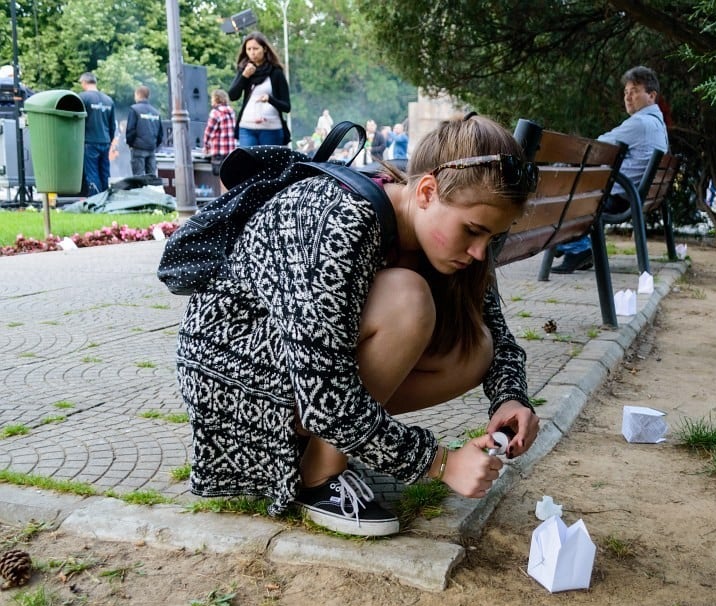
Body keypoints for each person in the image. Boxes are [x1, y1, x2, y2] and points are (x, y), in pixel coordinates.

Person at [176, 114, 541, 537]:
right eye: (473, 231)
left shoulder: (449, 242)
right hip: (233, 376)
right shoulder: (342, 219)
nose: (480, 252)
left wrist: (510, 399)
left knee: (475, 346)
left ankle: (327, 446)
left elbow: (499, 336)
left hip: (302, 374)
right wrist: (441, 463)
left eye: (493, 238)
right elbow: (324, 395)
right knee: (408, 299)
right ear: (426, 192)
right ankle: (318, 479)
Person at [552, 65, 669, 273]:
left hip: (617, 197)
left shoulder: (641, 123)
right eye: (625, 92)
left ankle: (573, 246)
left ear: (651, 96)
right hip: (632, 195)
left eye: (634, 91)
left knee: (557, 195)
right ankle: (568, 244)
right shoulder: (657, 125)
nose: (628, 97)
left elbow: (597, 146)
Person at [227, 31, 291, 148]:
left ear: (265, 49)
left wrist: (270, 99)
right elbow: (232, 95)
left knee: (268, 165)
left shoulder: (275, 72)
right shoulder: (245, 70)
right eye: (249, 49)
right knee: (248, 164)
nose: (252, 53)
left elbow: (287, 106)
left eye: (255, 48)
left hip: (271, 128)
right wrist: (244, 76)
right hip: (247, 127)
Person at [78, 72, 116, 195]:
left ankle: (95, 201)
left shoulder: (83, 98)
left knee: (92, 173)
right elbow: (112, 125)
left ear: (84, 82)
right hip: (105, 141)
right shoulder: (108, 100)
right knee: (105, 172)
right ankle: (106, 199)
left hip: (90, 141)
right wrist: (109, 140)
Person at [125, 85, 164, 177]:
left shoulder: (134, 109)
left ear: (138, 94)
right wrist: (155, 145)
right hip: (151, 148)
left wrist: (130, 144)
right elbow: (160, 134)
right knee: (151, 177)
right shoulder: (156, 112)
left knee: (138, 178)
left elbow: (131, 130)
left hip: (138, 148)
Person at [202, 89, 237, 177]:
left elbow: (208, 132)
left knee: (220, 178)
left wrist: (206, 146)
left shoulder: (215, 113)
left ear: (215, 99)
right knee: (229, 178)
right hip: (231, 152)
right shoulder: (231, 112)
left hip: (218, 152)